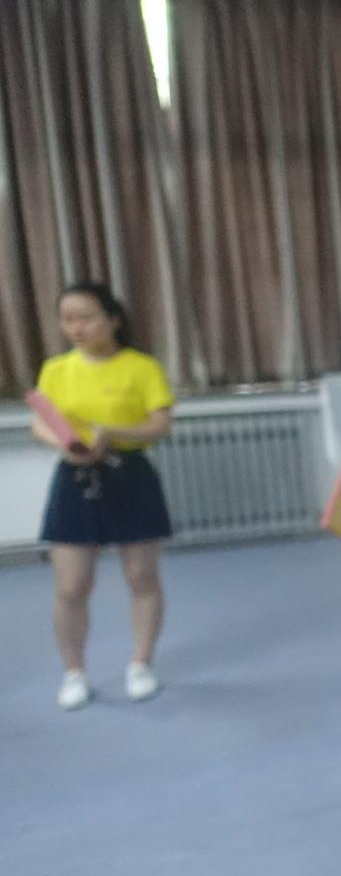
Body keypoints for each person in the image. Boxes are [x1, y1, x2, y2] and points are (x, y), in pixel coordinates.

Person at [29, 282, 175, 710]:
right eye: (68, 319)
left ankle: (141, 665)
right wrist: (64, 445)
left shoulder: (141, 367)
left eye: (86, 317)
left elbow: (160, 424)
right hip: (74, 477)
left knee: (141, 577)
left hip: (129, 474)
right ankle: (74, 672)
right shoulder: (55, 369)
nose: (77, 327)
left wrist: (112, 433)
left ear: (113, 319)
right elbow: (40, 422)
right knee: (71, 585)